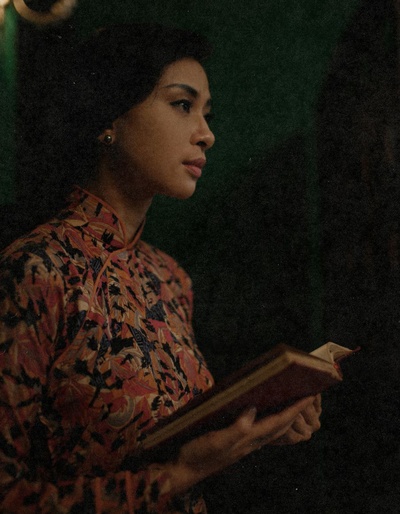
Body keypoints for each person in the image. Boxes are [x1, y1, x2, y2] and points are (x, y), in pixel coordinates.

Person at [0, 23, 322, 513]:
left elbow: (174, 443)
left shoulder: (169, 278)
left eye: (206, 113)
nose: (207, 134)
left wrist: (259, 429)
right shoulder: (36, 271)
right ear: (110, 118)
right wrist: (178, 476)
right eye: (182, 105)